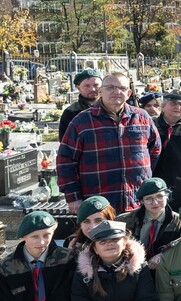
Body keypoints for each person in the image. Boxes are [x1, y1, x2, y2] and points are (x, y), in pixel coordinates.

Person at [58, 72, 162, 214]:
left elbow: (155, 150)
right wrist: (73, 197)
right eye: (110, 87)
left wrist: (142, 174)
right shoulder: (82, 121)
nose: (116, 92)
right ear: (101, 91)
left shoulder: (142, 117)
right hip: (98, 204)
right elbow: (65, 160)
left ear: (129, 93)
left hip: (137, 200)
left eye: (122, 88)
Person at [117, 178, 181, 268]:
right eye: (149, 199)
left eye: (159, 196)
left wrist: (164, 255)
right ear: (142, 201)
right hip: (133, 269)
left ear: (167, 196)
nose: (155, 202)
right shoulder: (124, 221)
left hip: (166, 268)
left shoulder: (179, 221)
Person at [59, 68, 102, 140]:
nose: (92, 89)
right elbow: (65, 142)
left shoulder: (110, 108)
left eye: (96, 85)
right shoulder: (71, 112)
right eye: (87, 86)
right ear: (78, 88)